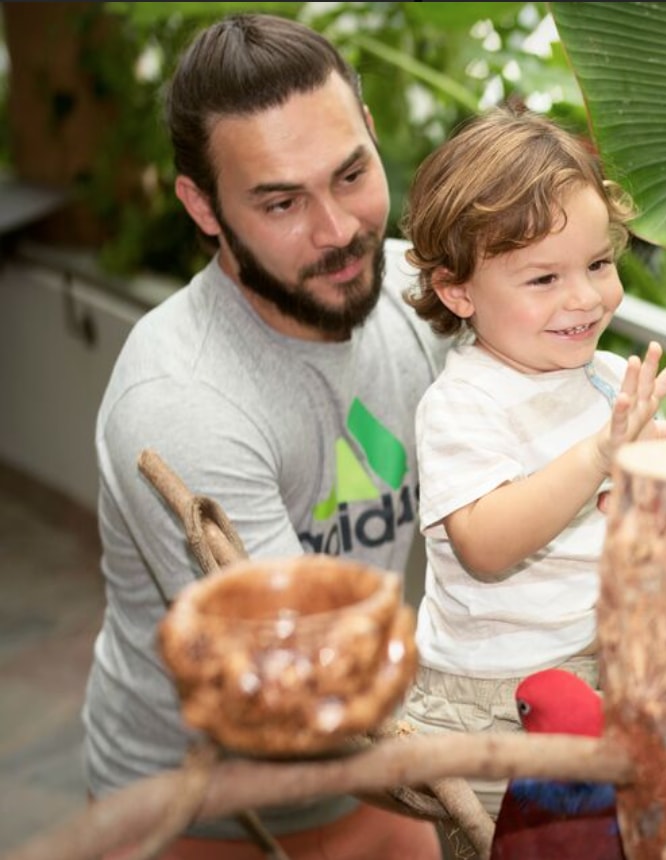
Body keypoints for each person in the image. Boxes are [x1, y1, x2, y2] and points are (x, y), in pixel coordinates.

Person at [83, 13, 446, 859]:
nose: (338, 230)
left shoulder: (416, 296)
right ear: (203, 208)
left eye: (351, 174)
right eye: (282, 202)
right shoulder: (181, 402)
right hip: (200, 810)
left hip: (376, 763)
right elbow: (301, 684)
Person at [398, 106, 666, 848]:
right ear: (459, 291)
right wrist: (598, 457)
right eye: (544, 278)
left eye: (598, 264)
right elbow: (486, 543)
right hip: (495, 702)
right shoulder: (463, 404)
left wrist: (656, 472)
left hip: (599, 669)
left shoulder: (602, 377)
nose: (586, 298)